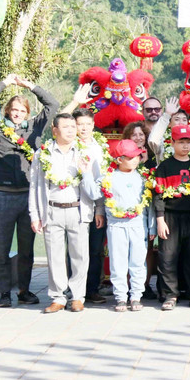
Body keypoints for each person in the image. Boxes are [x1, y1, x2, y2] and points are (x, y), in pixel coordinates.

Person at [0, 73, 58, 308]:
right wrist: (6, 82)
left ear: (27, 113)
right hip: (3, 195)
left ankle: (24, 291)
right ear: (7, 111)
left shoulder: (34, 129)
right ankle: (4, 293)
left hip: (28, 195)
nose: (17, 113)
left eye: (22, 110)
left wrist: (29, 85)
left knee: (26, 250)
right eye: (14, 110)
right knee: (2, 249)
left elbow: (52, 105)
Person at [29, 113, 100, 313]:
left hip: (78, 209)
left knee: (80, 256)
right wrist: (35, 215)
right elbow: (34, 186)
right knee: (55, 257)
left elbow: (97, 183)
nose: (71, 130)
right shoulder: (43, 154)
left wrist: (100, 209)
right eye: (66, 127)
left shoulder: (84, 152)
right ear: (55, 130)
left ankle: (77, 297)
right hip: (52, 210)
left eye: (73, 127)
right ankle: (58, 297)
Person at [81, 140, 150, 312]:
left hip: (138, 225)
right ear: (119, 159)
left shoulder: (143, 177)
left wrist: (152, 227)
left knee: (138, 262)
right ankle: (120, 297)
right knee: (118, 262)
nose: (136, 160)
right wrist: (87, 173)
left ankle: (136, 296)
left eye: (137, 156)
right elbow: (94, 193)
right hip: (116, 225)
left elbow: (149, 205)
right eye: (131, 157)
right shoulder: (108, 177)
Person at [153, 125, 190, 310]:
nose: (185, 146)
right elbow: (158, 194)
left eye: (188, 142)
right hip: (170, 217)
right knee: (168, 257)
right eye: (181, 142)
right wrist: (160, 219)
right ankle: (170, 295)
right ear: (173, 143)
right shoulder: (165, 166)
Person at [73, 108, 110, 306]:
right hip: (72, 206)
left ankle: (92, 289)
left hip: (94, 206)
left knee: (95, 250)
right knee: (75, 251)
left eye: (88, 124)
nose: (84, 128)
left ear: (93, 125)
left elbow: (102, 182)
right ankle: (74, 290)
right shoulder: (69, 146)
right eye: (80, 124)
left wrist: (100, 210)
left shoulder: (99, 148)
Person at [122, 121, 158, 300]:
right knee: (128, 249)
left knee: (147, 249)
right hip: (127, 210)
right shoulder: (123, 157)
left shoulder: (153, 157)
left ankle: (145, 284)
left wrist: (145, 163)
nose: (138, 138)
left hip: (148, 208)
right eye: (134, 135)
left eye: (141, 134)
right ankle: (128, 286)